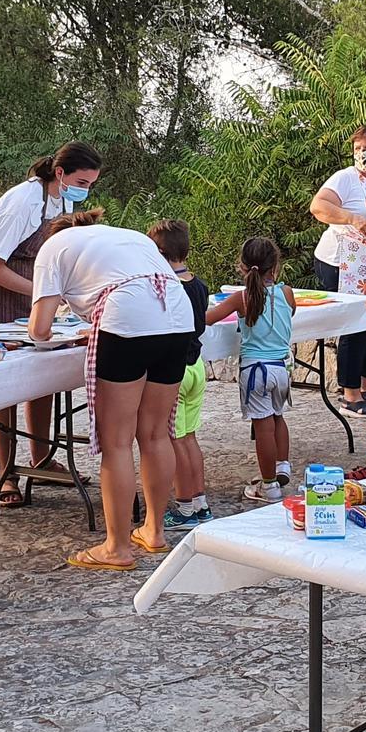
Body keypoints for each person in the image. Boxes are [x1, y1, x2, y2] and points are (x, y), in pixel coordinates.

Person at [29, 213, 195, 572]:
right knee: (155, 433)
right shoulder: (126, 235)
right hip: (177, 314)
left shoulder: (52, 248)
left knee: (117, 441)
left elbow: (39, 329)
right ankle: (153, 529)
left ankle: (117, 546)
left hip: (127, 316)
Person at [0, 141, 103, 504]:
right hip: (3, 289)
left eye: (91, 185)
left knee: (42, 374)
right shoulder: (24, 201)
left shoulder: (62, 200)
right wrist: (40, 291)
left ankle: (42, 457)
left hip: (36, 288)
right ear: (60, 173)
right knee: (8, 382)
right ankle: (6, 473)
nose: (85, 190)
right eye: (82, 181)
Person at [308, 126, 366, 414]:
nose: (362, 154)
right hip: (341, 261)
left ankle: (365, 386)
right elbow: (318, 206)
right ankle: (349, 394)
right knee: (353, 325)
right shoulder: (345, 178)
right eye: (358, 149)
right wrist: (352, 218)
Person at [209, 237, 297, 502]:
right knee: (279, 416)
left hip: (255, 370)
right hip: (281, 367)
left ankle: (268, 485)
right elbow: (288, 313)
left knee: (263, 428)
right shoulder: (287, 293)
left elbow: (207, 319)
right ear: (276, 267)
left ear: (242, 266)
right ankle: (282, 466)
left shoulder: (241, 298)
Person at [147, 220, 212, 530]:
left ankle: (184, 508)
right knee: (189, 438)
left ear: (159, 252)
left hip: (174, 371)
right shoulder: (198, 285)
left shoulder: (164, 286)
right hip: (196, 365)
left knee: (172, 440)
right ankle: (200, 503)